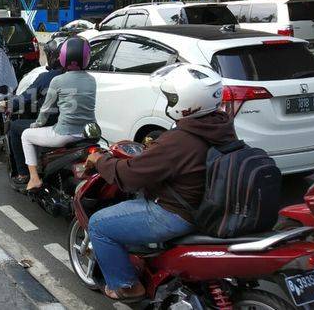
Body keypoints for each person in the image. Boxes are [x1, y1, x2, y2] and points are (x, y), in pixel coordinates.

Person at [84, 63, 236, 303]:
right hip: (210, 208)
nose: (169, 101)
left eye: (171, 97)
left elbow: (130, 177)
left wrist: (100, 161)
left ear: (185, 101)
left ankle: (126, 286)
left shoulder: (180, 140)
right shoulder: (221, 126)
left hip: (177, 214)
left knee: (99, 225)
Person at [20, 36, 96, 192]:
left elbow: (46, 110)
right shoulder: (92, 80)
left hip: (64, 134)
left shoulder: (57, 80)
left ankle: (34, 178)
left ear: (62, 57)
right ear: (86, 58)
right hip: (88, 134)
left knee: (26, 135)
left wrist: (37, 125)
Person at [6, 39, 64, 187]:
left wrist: (9, 105)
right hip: (80, 129)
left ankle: (23, 173)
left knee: (15, 127)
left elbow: (26, 99)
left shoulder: (47, 77)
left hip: (55, 127)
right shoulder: (87, 78)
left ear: (53, 57)